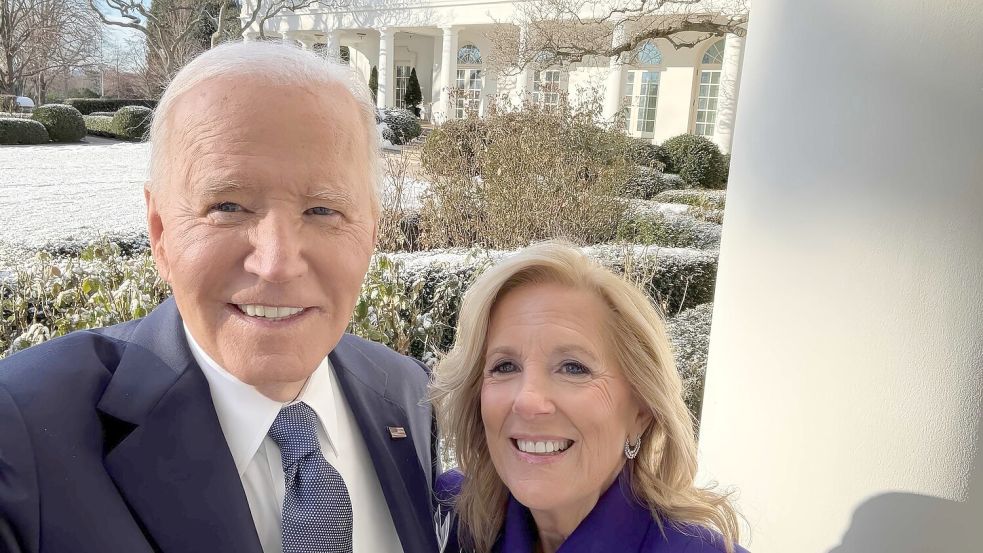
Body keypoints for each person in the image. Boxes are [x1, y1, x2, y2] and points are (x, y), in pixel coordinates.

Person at [0, 42, 439, 553]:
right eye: (228, 205)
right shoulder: (23, 429)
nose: (275, 262)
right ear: (160, 232)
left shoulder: (406, 393)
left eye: (323, 210)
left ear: (369, 234)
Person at [431, 242, 748, 553]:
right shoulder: (451, 517)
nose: (528, 401)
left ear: (641, 412)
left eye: (573, 368)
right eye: (505, 366)